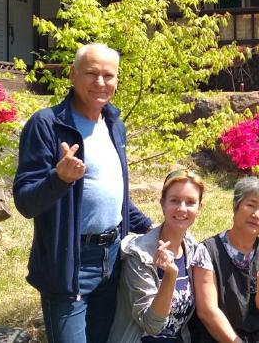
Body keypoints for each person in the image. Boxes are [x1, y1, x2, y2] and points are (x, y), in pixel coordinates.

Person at [13, 43, 153, 343]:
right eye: (91, 74)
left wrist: (151, 227)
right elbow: (25, 202)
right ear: (73, 75)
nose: (100, 83)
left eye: (108, 75)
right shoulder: (48, 125)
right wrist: (59, 178)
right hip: (70, 261)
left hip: (113, 256)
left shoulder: (114, 124)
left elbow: (114, 196)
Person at [108, 169, 205, 342]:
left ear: (199, 208)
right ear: (162, 203)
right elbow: (151, 325)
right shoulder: (138, 254)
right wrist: (170, 275)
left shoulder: (192, 247)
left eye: (190, 202)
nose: (182, 209)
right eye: (174, 200)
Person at [190, 177, 259, 343]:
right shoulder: (208, 251)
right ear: (235, 206)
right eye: (250, 205)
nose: (256, 214)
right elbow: (207, 311)